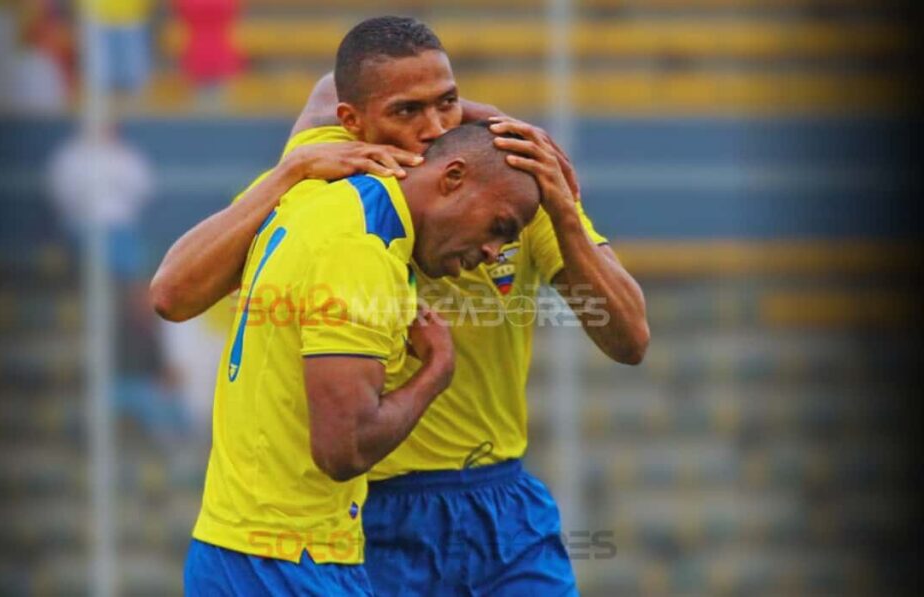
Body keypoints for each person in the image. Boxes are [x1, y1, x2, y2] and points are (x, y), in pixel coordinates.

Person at [152, 15, 649, 595]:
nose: (434, 128)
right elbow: (175, 291)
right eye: (407, 112)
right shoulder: (336, 173)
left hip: (499, 503)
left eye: (448, 104)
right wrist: (289, 171)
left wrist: (561, 211)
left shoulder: (509, 181)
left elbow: (630, 338)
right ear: (354, 122)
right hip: (375, 510)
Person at [179, 123, 543, 594]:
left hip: (231, 541)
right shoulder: (361, 250)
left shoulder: (315, 198)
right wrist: (435, 371)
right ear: (453, 176)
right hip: (290, 559)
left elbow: (170, 293)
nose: (494, 253)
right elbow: (343, 448)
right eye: (498, 228)